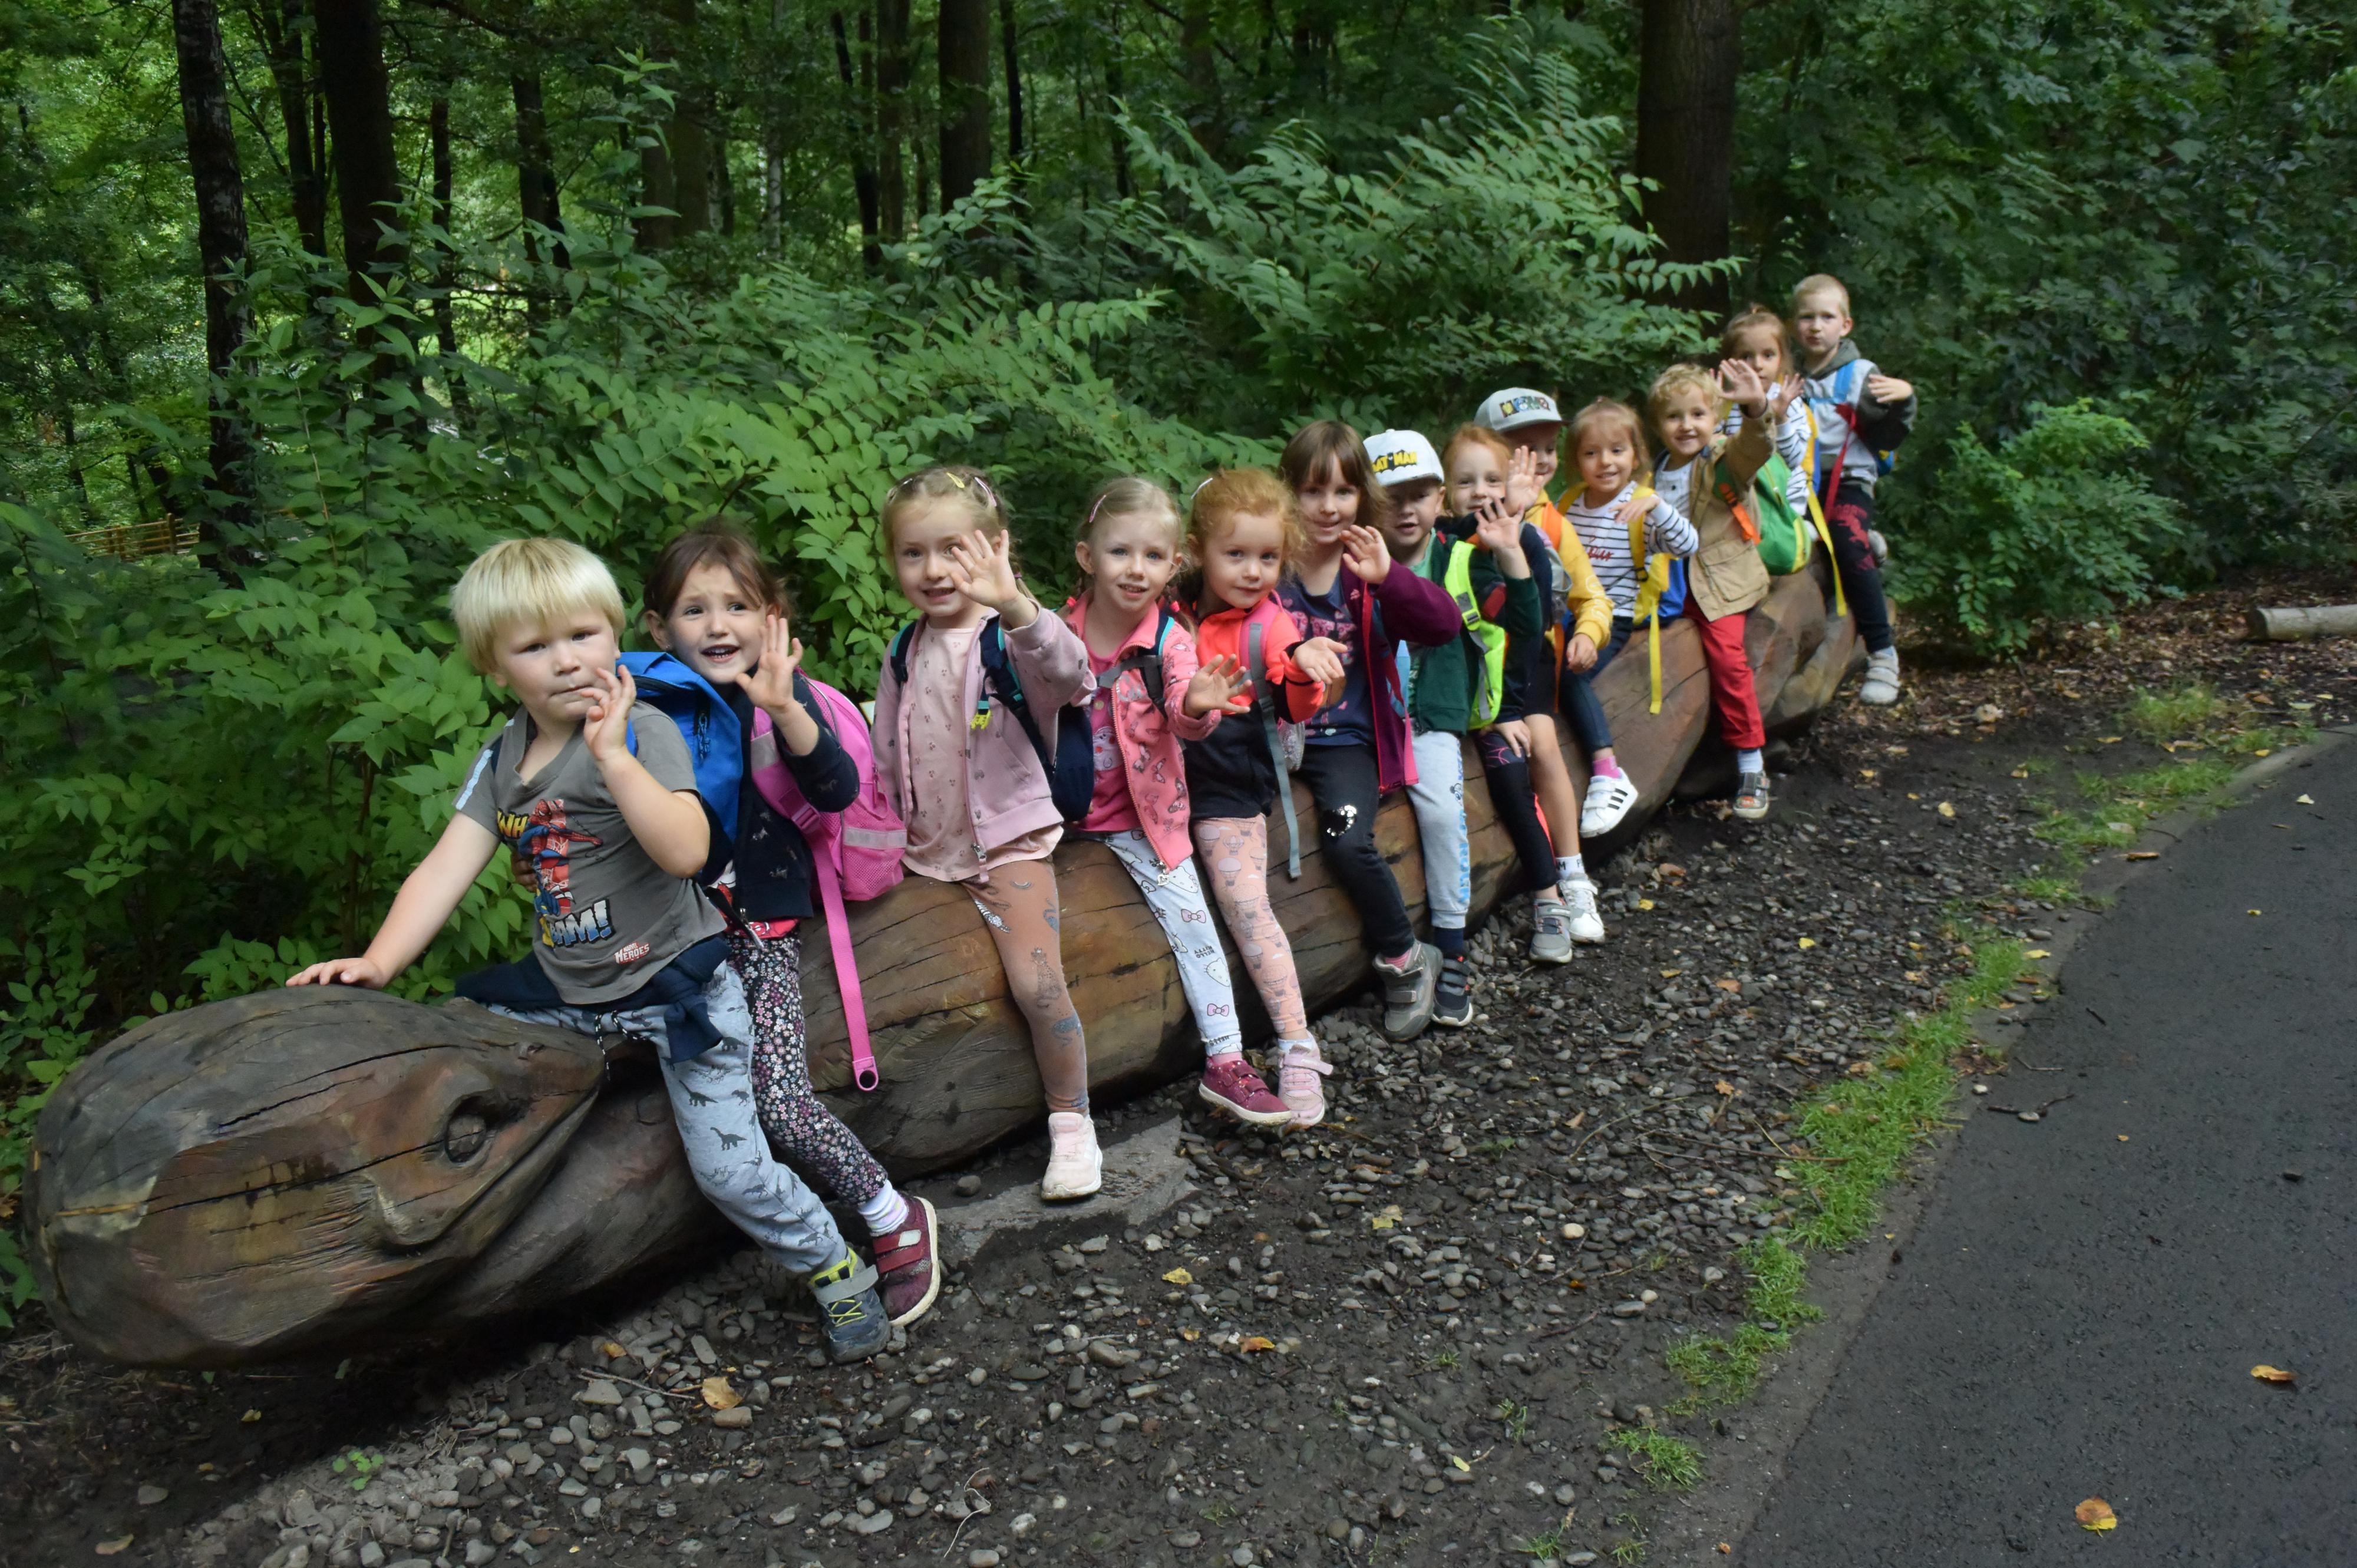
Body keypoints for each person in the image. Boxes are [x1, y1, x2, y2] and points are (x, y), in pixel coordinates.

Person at [286, 538, 896, 1362]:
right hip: (573, 990)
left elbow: (686, 849)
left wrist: (613, 759)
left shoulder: (642, 727)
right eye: (535, 647)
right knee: (468, 1030)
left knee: (734, 1172)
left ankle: (834, 1266)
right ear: (495, 666)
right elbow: (445, 866)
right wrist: (378, 962)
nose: (567, 661)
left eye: (582, 635)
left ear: (616, 636)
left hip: (679, 986)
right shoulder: (502, 759)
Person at [639, 522, 939, 1328]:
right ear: (656, 628)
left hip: (760, 925)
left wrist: (784, 706)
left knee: (780, 1102)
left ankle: (888, 1213)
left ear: (771, 616)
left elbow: (835, 787)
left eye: (736, 604)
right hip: (671, 934)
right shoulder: (648, 707)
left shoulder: (775, 693)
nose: (717, 625)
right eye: (693, 609)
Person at [870, 466, 1104, 1199]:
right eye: (914, 554)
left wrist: (1015, 605)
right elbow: (883, 757)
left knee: (1037, 983)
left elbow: (1070, 675)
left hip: (1006, 846)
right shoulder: (903, 652)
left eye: (954, 550)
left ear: (995, 548)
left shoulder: (1008, 638)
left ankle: (1073, 1122)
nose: (935, 570)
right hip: (924, 850)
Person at [1059, 477, 1289, 1128]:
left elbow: (1186, 710)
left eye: (1153, 557)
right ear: (1087, 557)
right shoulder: (1058, 632)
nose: (1137, 570)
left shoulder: (1170, 640)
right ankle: (1066, 1106)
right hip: (1058, 816)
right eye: (1120, 553)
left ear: (1174, 564)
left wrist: (1194, 707)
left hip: (1144, 818)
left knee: (1197, 930)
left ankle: (1226, 1060)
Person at [1276, 420, 1466, 1042]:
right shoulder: (1272, 565)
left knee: (1346, 840)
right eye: (1310, 491)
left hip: (1344, 741)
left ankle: (1406, 958)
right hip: (1273, 733)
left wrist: (1390, 578)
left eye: (1342, 492)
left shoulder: (1367, 569)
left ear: (1364, 498)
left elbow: (1441, 625)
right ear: (1289, 495)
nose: (1327, 507)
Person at [1179, 468, 1349, 1125]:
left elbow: (1298, 692)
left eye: (1268, 557)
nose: (1253, 571)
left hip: (1225, 787)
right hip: (1152, 784)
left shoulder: (1271, 624)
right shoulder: (1173, 609)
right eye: (1236, 555)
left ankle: (1296, 1044)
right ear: (1198, 551)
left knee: (1249, 908)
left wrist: (1308, 668)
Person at [1367, 427, 1537, 1021]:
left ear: (1439, 498)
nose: (1404, 509)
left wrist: (1511, 552)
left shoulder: (1460, 559)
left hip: (1431, 718)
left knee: (1442, 812)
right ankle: (1390, 950)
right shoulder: (1353, 568)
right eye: (1389, 496)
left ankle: (1451, 948)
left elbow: (1522, 618)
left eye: (1417, 493)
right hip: (1366, 726)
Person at [1475, 387, 1639, 849]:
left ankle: (1566, 864)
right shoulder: (1463, 511)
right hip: (1476, 665)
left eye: (1549, 448)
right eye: (1524, 449)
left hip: (1530, 670)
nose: (1542, 460)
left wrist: (1588, 633)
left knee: (1542, 749)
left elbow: (1593, 597)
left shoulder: (1553, 521)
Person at [1649, 361, 1779, 820]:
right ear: (1658, 423)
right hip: (1664, 581)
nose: (1687, 425)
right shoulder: (1653, 468)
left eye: (1698, 414)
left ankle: (1750, 761)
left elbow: (1755, 447)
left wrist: (1757, 406)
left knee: (1727, 657)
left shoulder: (1722, 457)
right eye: (1674, 416)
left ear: (1715, 416)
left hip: (1716, 578)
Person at [1792, 273, 1918, 706]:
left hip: (1849, 482)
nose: (1815, 326)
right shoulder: (1791, 375)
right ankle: (1869, 543)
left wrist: (1904, 400)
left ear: (1845, 325)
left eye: (1826, 317)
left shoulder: (1860, 375)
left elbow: (1887, 436)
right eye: (1807, 317)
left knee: (1846, 543)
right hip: (1800, 486)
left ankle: (1883, 653)